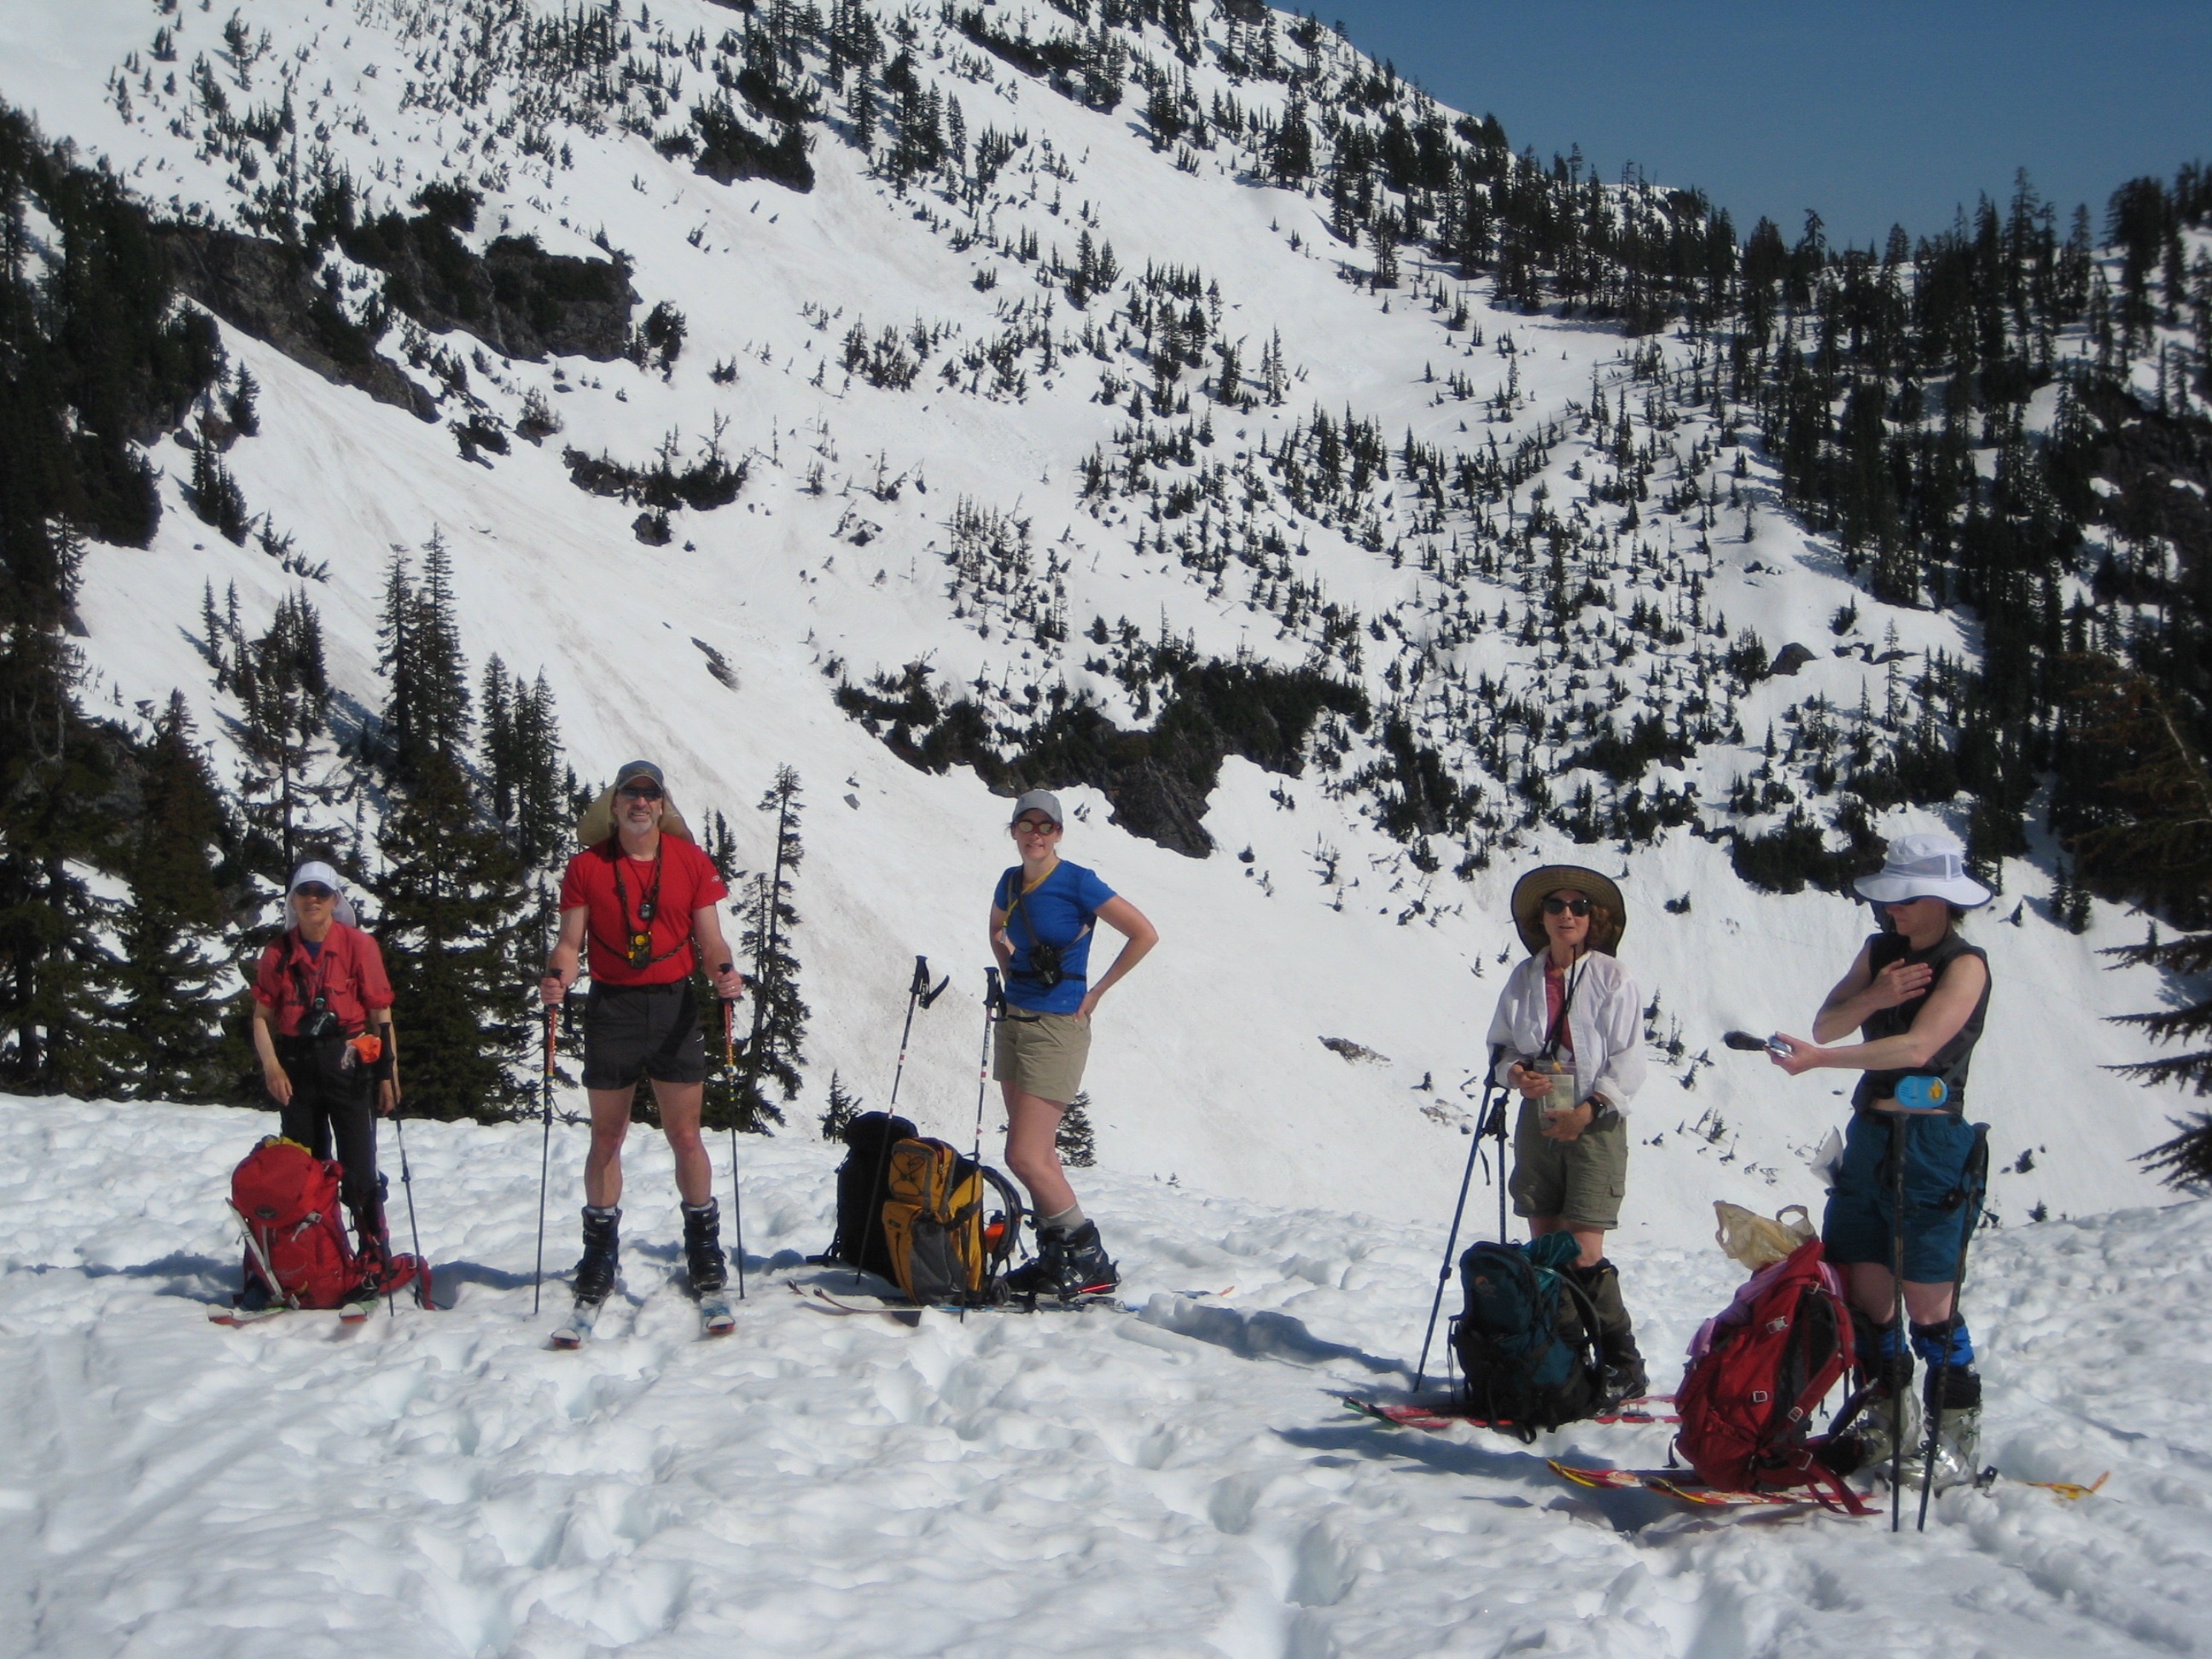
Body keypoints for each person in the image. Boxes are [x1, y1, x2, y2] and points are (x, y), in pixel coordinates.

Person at [1767, 830, 1993, 1487]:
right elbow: (1828, 1022)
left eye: (1903, 899)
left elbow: (1921, 1048)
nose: (1890, 911)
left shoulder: (1966, 964)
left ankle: (1953, 1432)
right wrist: (1875, 997)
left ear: (1938, 901)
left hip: (1930, 1143)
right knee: (1866, 1286)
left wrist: (1823, 1064)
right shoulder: (1881, 954)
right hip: (1871, 1135)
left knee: (1927, 1294)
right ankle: (1887, 1416)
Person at [540, 760, 745, 1313]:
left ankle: (703, 1246)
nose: (639, 802)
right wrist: (558, 976)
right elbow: (570, 943)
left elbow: (711, 941)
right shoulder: (586, 867)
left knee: (686, 1134)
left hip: (674, 1005)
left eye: (649, 794)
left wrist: (724, 971)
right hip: (613, 1006)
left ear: (662, 804)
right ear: (615, 804)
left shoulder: (691, 863)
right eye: (630, 793)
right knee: (607, 1137)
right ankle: (599, 1253)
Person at [1484, 864, 1649, 1403]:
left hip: (1594, 1119)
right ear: (1542, 917)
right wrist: (1517, 1075)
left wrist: (1591, 1107)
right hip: (1542, 1114)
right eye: (1556, 906)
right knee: (1547, 1244)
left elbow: (1629, 1058)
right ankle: (1565, 1357)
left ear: (1593, 919)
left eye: (1579, 907)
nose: (1567, 915)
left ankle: (1623, 1361)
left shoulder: (1611, 977)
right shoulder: (1525, 977)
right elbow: (1502, 1046)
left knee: (1582, 1249)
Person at [988, 789, 1157, 1299]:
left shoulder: (1078, 882)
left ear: (1059, 833)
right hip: (1016, 1019)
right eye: (1027, 824)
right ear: (1015, 829)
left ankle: (1088, 1261)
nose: (1035, 834)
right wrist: (1011, 970)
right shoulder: (1011, 880)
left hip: (1056, 1028)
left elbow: (1143, 933)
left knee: (1025, 1157)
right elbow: (997, 930)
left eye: (1046, 826)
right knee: (1040, 1155)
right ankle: (1057, 1258)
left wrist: (1097, 991)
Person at [248, 859, 400, 1313]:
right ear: (292, 900)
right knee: (303, 1172)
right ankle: (315, 1259)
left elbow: (380, 1013)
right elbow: (261, 1017)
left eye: (321, 892)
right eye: (303, 892)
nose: (312, 900)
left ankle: (373, 1257)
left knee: (359, 1165)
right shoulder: (277, 952)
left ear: (335, 900)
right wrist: (272, 1068)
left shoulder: (358, 946)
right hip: (297, 1066)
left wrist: (389, 1073)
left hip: (349, 1061)